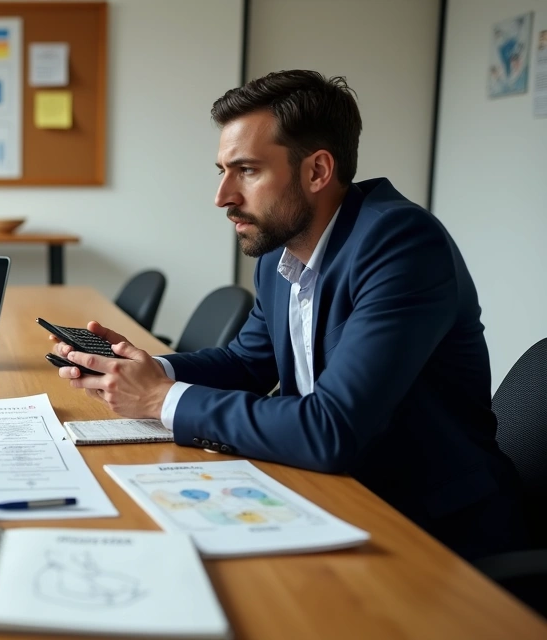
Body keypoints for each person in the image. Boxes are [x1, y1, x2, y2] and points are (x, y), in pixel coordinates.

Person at [51, 70, 525, 560]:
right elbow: (247, 364)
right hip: (333, 497)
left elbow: (332, 429)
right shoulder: (281, 257)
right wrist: (143, 369)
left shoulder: (400, 244)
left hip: (433, 532)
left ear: (317, 171)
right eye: (222, 170)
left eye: (247, 171)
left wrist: (159, 398)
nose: (223, 196)